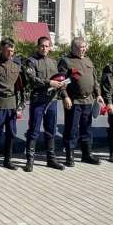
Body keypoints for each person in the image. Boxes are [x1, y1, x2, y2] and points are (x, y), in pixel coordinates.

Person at [23, 36, 66, 171]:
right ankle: (30, 160)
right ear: (38, 46)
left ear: (50, 47)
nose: (44, 48)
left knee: (51, 131)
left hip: (52, 101)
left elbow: (58, 78)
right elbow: (32, 79)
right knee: (34, 131)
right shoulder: (31, 61)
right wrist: (49, 83)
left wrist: (61, 85)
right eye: (42, 46)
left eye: (47, 46)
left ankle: (51, 159)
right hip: (38, 101)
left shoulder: (53, 62)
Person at [58, 37, 104, 165]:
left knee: (87, 129)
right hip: (74, 101)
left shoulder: (88, 60)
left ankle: (87, 154)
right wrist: (65, 96)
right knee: (71, 129)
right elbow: (62, 82)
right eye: (80, 48)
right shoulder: (66, 61)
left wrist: (98, 94)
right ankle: (69, 156)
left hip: (88, 101)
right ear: (73, 48)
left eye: (84, 47)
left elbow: (95, 80)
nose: (83, 50)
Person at [0, 37, 25, 171]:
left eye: (12, 51)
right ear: (1, 50)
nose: (10, 54)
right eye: (8, 51)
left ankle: (8, 160)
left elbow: (21, 87)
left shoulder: (18, 64)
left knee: (11, 133)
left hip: (12, 104)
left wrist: (20, 106)